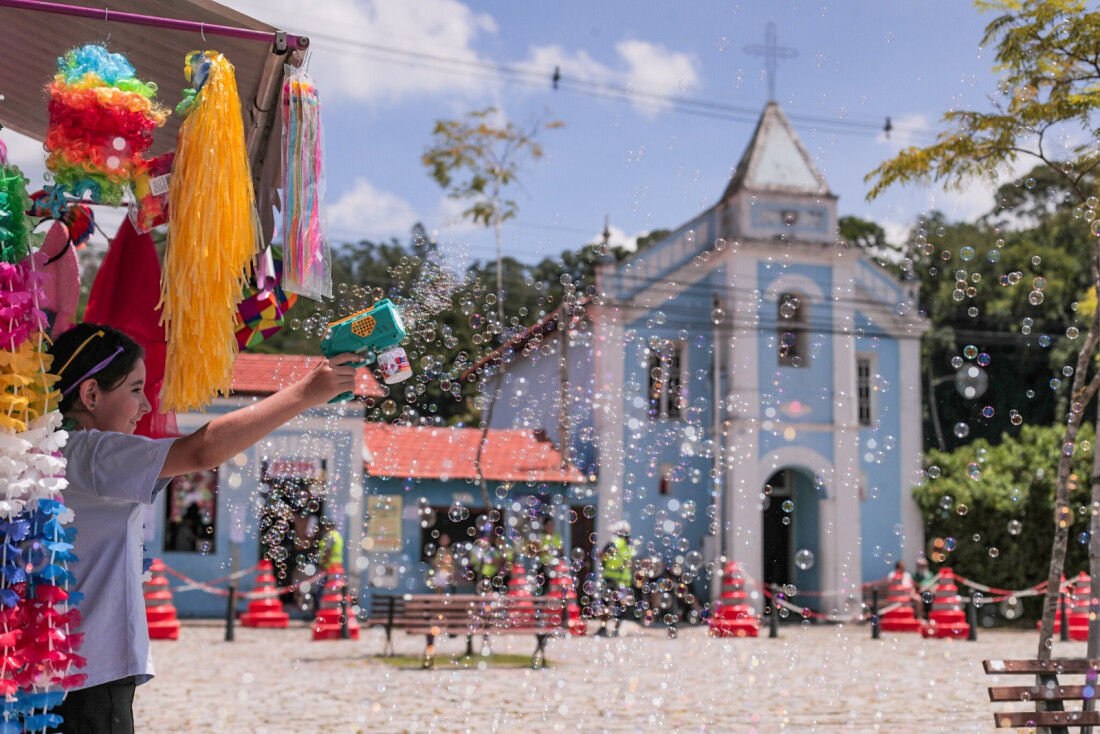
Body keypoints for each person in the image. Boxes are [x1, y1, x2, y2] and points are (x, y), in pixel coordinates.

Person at [50, 323, 358, 733]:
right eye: (136, 389)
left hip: (65, 665)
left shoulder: (54, 452)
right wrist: (305, 393)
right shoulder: (92, 453)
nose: (146, 406)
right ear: (90, 395)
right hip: (91, 671)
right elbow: (201, 450)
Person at [597, 521, 635, 637]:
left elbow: (602, 555)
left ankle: (603, 628)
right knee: (620, 606)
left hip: (610, 577)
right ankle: (616, 629)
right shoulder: (630, 546)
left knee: (605, 604)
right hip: (624, 580)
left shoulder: (614, 542)